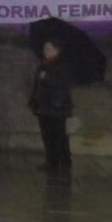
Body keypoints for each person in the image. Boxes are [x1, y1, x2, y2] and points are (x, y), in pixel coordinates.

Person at [30, 38, 74, 176]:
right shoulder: (44, 65)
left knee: (58, 135)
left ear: (57, 50)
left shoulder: (61, 65)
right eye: (44, 49)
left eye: (48, 49)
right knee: (47, 135)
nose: (45, 51)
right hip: (44, 106)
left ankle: (64, 161)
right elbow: (38, 84)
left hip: (56, 106)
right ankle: (52, 161)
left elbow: (62, 84)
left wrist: (46, 78)